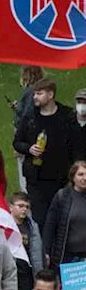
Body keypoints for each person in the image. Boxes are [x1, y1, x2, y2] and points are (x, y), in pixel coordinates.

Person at [15, 79, 84, 229]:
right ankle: (43, 251)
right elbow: (17, 142)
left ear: (50, 94)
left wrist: (76, 169)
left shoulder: (67, 116)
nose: (35, 97)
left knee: (61, 219)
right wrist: (29, 149)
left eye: (39, 94)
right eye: (34, 94)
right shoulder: (30, 117)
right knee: (41, 220)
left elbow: (77, 145)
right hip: (36, 179)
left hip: (61, 178)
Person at [45, 161, 86, 271]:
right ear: (73, 177)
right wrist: (46, 251)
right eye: (81, 174)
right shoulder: (62, 196)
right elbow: (50, 225)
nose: (84, 178)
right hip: (68, 257)